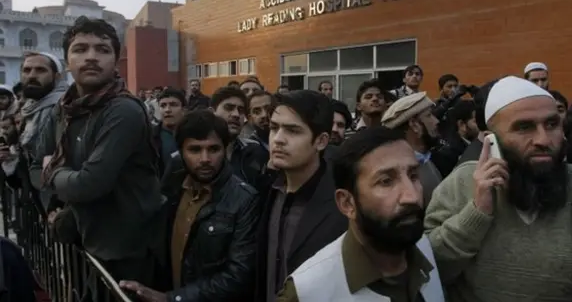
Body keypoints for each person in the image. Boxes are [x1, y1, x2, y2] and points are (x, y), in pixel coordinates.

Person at [424, 76, 572, 301]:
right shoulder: (460, 185)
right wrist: (476, 213)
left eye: (551, 124)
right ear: (491, 141)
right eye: (524, 127)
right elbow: (429, 274)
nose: (543, 140)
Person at [30, 16, 164, 285]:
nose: (91, 57)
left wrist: (52, 173)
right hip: (80, 243)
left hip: (126, 254)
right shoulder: (62, 110)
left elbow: (90, 184)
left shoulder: (123, 110)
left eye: (102, 49)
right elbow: (34, 168)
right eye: (80, 49)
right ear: (67, 61)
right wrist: (58, 211)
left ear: (116, 60)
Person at [276, 126, 445, 302]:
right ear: (347, 203)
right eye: (386, 181)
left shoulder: (423, 248)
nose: (411, 196)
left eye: (413, 175)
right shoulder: (308, 292)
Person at [120, 110, 259, 302]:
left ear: (225, 150)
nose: (205, 159)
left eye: (213, 149)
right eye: (195, 150)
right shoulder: (173, 186)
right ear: (181, 151)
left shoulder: (244, 199)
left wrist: (173, 298)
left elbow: (238, 275)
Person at [255, 90, 347, 302]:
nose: (278, 139)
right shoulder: (268, 190)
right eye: (274, 128)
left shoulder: (342, 204)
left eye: (293, 131)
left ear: (321, 141)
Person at [381, 92, 442, 204]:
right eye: (429, 115)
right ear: (414, 125)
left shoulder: (425, 160)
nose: (436, 121)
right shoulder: (404, 173)